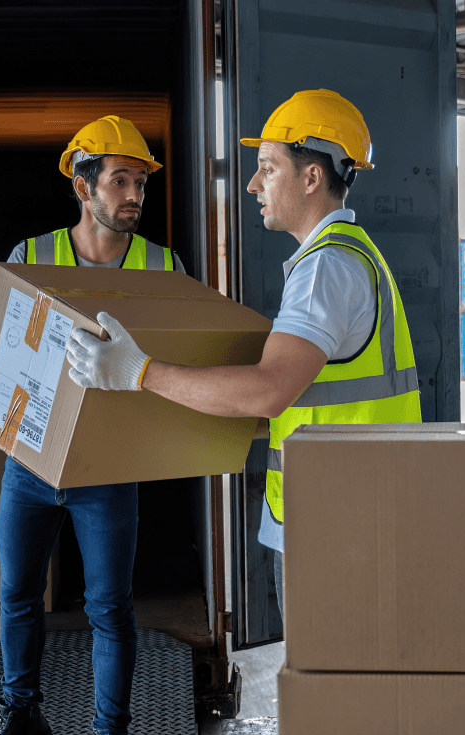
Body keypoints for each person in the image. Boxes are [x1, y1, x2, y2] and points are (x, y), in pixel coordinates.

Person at [65, 90, 423, 615]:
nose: (253, 184)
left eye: (267, 168)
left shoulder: (326, 269)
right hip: (354, 510)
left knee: (325, 666)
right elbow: (307, 396)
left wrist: (138, 371)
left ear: (311, 178)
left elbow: (270, 389)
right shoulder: (350, 257)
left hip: (333, 525)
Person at [0, 116, 184, 735]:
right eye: (120, 180)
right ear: (83, 187)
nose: (134, 194)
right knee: (17, 592)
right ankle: (22, 715)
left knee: (108, 608)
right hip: (30, 461)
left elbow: (183, 369)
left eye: (141, 181)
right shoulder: (33, 255)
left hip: (108, 468)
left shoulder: (163, 268)